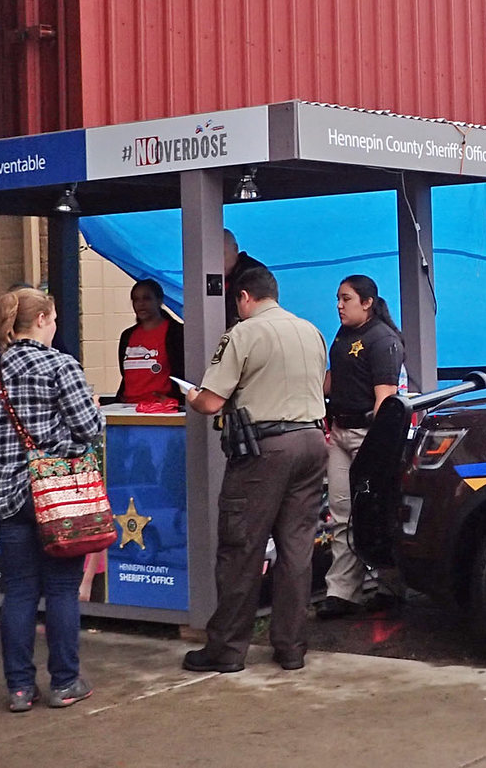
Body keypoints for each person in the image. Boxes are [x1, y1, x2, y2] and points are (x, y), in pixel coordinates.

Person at [182, 264, 328, 672]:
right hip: (312, 442)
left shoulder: (242, 334)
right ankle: (291, 648)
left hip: (264, 451)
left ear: (244, 297)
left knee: (241, 548)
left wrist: (193, 394)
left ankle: (227, 650)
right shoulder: (311, 331)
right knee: (297, 550)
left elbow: (211, 402)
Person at [0, 287, 102, 712]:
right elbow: (90, 428)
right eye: (55, 318)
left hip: (7, 493)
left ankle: (20, 689)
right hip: (57, 495)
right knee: (62, 590)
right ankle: (65, 683)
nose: (56, 325)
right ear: (42, 318)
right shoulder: (61, 366)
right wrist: (79, 424)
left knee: (21, 591)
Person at [318, 275, 406, 619]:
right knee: (341, 512)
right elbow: (330, 379)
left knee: (376, 512)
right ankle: (343, 592)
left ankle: (391, 586)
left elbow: (386, 398)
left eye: (346, 299)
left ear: (367, 302)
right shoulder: (343, 335)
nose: (339, 305)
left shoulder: (382, 339)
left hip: (368, 435)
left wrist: (376, 449)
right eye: (338, 299)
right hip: (339, 430)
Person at [113, 278, 185, 404]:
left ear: (159, 300)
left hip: (162, 408)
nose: (141, 304)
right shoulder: (127, 335)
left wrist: (176, 399)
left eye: (146, 298)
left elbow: (183, 371)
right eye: (136, 299)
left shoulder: (176, 332)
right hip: (128, 408)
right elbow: (125, 374)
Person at [223, 229, 266, 329]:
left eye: (222, 254)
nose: (216, 261)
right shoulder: (205, 275)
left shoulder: (254, 274)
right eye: (211, 256)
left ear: (235, 249)